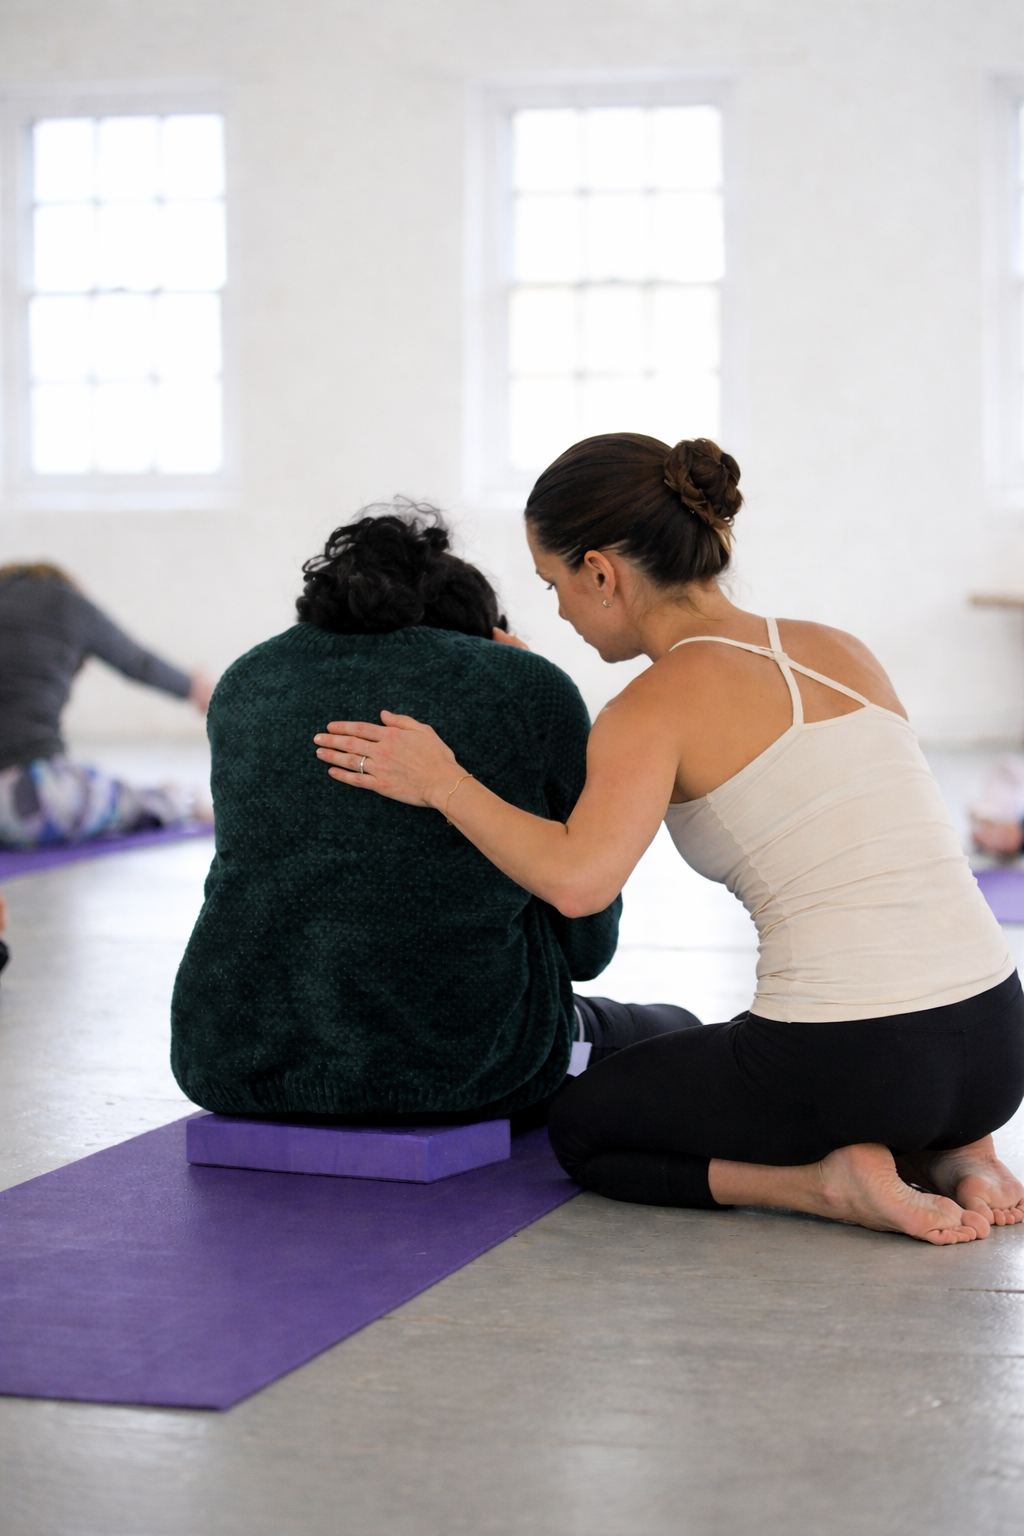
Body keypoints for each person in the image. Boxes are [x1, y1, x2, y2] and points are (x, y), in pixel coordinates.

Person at [314, 436, 1024, 1244]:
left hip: (854, 1063)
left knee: (586, 1125)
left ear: (603, 573)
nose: (560, 613)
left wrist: (442, 781)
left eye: (555, 586)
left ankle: (828, 1184)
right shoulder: (839, 649)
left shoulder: (650, 709)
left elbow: (580, 882)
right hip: (998, 1045)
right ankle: (957, 1154)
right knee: (779, 1047)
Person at [171, 504, 698, 1124]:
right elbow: (586, 947)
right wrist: (531, 678)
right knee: (677, 1030)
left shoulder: (247, 683)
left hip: (230, 1065)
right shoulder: (525, 689)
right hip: (467, 1074)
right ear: (482, 633)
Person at [0, 563, 213, 847]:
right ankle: (182, 800)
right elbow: (137, 661)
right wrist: (197, 688)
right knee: (120, 799)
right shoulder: (68, 604)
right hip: (32, 800)